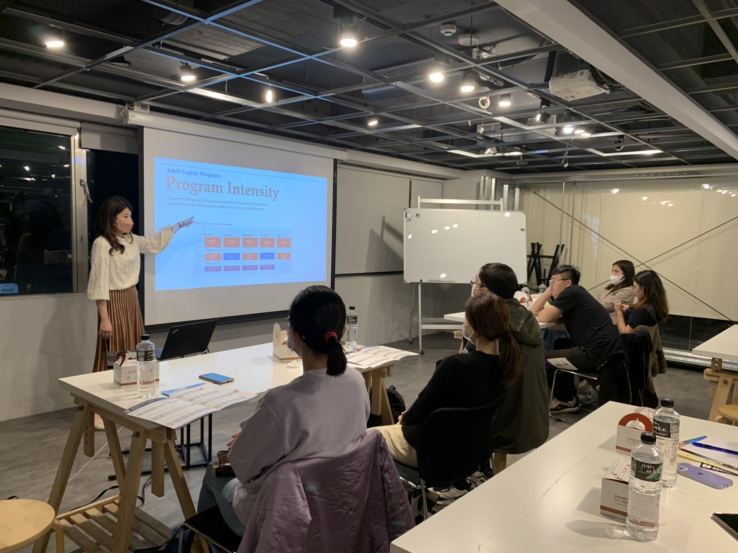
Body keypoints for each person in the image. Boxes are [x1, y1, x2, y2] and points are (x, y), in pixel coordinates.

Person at [198, 286, 370, 535]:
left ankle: (201, 543)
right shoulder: (356, 382)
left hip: (278, 519)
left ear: (294, 336)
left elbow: (242, 468)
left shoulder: (280, 403)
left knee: (213, 473)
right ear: (343, 331)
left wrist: (248, 439)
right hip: (337, 507)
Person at [374, 292, 520, 468]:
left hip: (431, 449)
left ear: (475, 329)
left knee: (366, 439)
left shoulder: (455, 365)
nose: (464, 324)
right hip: (471, 450)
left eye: (466, 320)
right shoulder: (507, 366)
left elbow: (424, 405)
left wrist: (405, 418)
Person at [87, 196, 193, 374]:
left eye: (130, 216)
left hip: (131, 297)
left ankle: (133, 381)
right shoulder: (102, 243)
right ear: (112, 220)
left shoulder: (131, 240)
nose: (131, 221)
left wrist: (179, 225)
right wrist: (104, 318)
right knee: (115, 349)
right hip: (114, 300)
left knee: (133, 347)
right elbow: (99, 283)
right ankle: (109, 383)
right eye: (125, 216)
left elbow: (154, 244)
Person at [473, 263, 548, 456]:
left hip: (503, 426)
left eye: (475, 283)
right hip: (534, 422)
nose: (473, 287)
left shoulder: (491, 322)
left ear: (485, 291)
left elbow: (470, 371)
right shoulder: (526, 316)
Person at [530, 265, 624, 414]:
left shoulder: (571, 292)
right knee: (560, 344)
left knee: (540, 358)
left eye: (554, 281)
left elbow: (542, 317)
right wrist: (550, 289)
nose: (551, 284)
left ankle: (567, 400)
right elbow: (534, 311)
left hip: (596, 353)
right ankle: (568, 393)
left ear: (568, 283)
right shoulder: (577, 294)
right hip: (607, 350)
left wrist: (548, 292)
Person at [614, 270, 669, 334]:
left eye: (635, 287)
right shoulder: (655, 307)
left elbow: (625, 334)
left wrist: (619, 312)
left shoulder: (641, 312)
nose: (634, 290)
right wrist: (630, 307)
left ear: (644, 288)